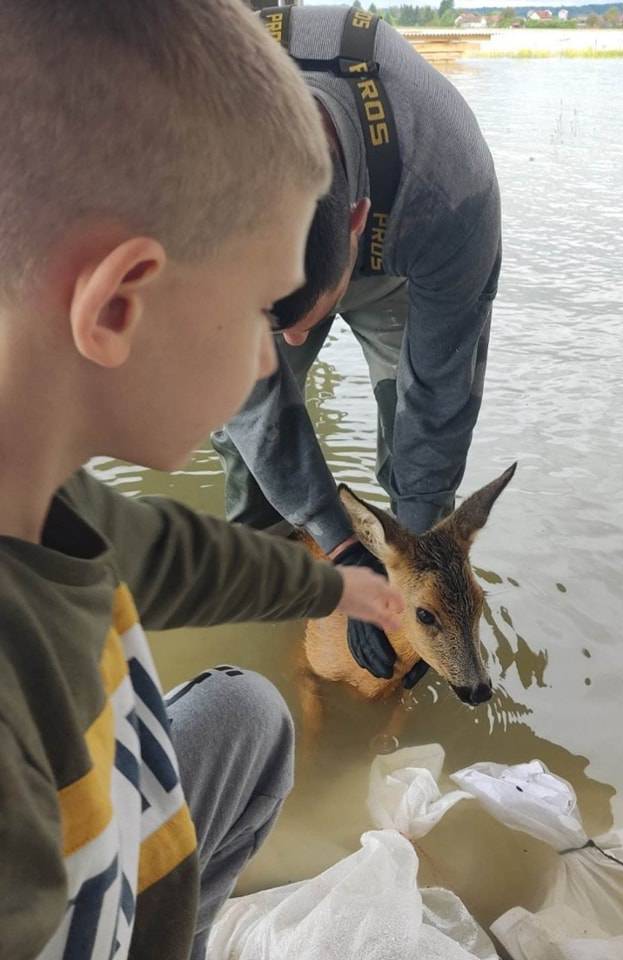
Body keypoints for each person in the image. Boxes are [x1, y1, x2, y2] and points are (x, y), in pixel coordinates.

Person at [0, 3, 403, 960]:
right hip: (77, 904)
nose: (271, 365)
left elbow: (174, 555)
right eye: (264, 312)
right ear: (119, 306)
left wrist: (334, 580)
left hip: (120, 853)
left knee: (248, 716)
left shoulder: (47, 494)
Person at [213, 3, 502, 687]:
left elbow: (439, 397)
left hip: (407, 258)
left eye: (298, 319)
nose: (291, 342)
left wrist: (405, 575)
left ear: (354, 224)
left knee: (416, 458)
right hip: (275, 250)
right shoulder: (183, 150)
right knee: (245, 439)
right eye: (267, 320)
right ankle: (269, 590)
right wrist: (339, 545)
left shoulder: (453, 190)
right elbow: (253, 398)